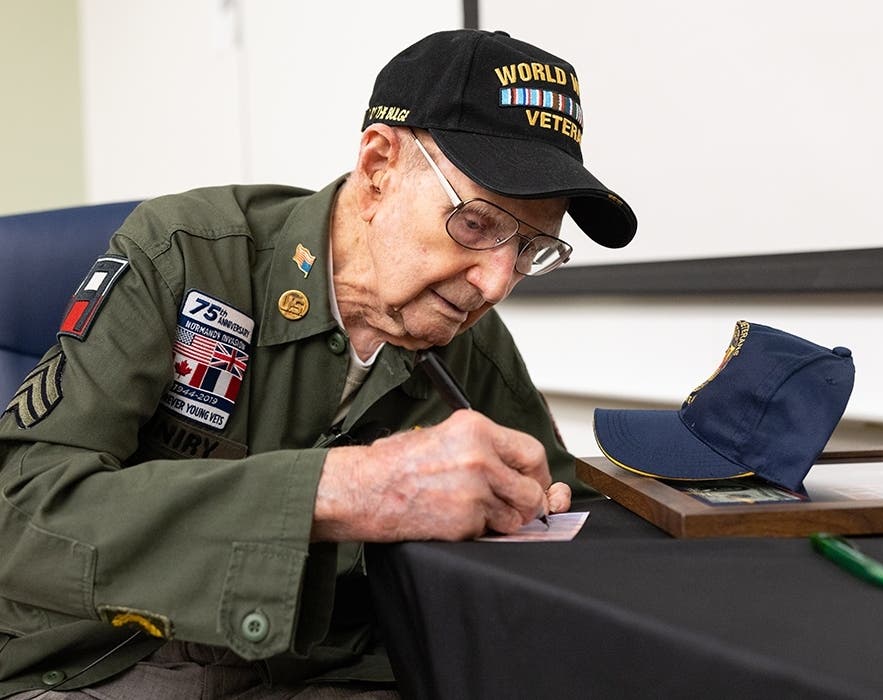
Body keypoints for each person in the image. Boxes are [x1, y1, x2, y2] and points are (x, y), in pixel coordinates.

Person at [0, 28, 636, 698]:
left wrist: (531, 509)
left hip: (331, 674)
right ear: (378, 167)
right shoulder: (187, 258)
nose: (497, 283)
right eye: (476, 224)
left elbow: (567, 518)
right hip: (112, 657)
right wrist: (340, 491)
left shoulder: (471, 342)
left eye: (532, 249)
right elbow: (20, 519)